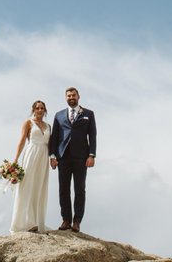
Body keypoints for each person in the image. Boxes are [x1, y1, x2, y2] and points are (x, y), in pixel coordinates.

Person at [48, 86, 96, 233]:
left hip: (81, 157)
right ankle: (66, 220)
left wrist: (92, 155)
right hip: (63, 157)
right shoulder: (59, 115)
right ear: (65, 98)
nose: (71, 98)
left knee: (79, 189)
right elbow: (54, 137)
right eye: (68, 96)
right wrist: (52, 156)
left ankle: (77, 221)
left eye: (73, 95)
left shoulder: (88, 114)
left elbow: (92, 136)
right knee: (63, 189)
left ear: (78, 96)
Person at [10, 100, 51, 233]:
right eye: (37, 108)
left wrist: (53, 158)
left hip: (44, 157)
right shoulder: (28, 123)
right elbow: (22, 140)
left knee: (39, 187)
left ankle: (37, 222)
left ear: (45, 110)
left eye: (42, 108)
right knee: (27, 186)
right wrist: (15, 160)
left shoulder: (48, 126)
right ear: (33, 110)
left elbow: (51, 145)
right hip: (31, 154)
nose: (40, 110)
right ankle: (25, 222)